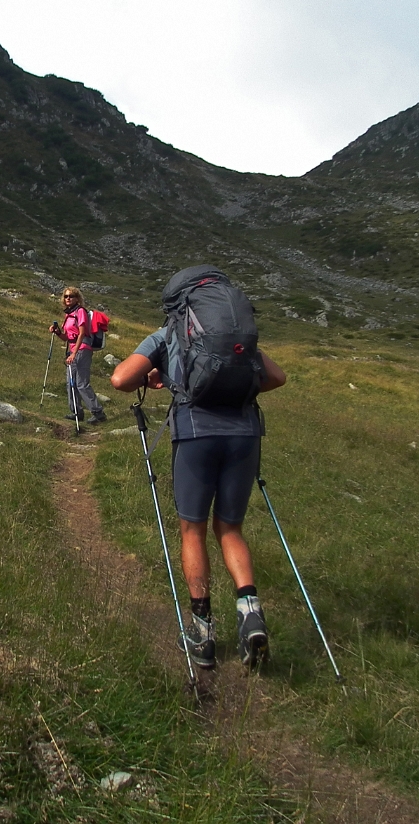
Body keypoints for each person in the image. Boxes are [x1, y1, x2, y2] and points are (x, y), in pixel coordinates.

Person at [110, 278, 286, 670]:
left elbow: (121, 379)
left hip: (195, 435)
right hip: (244, 437)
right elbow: (277, 378)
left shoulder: (168, 332)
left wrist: (164, 376)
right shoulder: (237, 338)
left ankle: (203, 633)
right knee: (231, 528)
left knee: (193, 529)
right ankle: (250, 611)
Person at [49, 286, 107, 424]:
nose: (68, 298)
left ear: (77, 298)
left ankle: (98, 413)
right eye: (66, 296)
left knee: (81, 383)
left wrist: (74, 353)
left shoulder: (80, 311)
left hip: (82, 349)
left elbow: (81, 333)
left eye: (71, 296)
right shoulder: (68, 315)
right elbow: (67, 338)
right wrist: (57, 332)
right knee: (71, 383)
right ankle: (76, 412)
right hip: (73, 349)